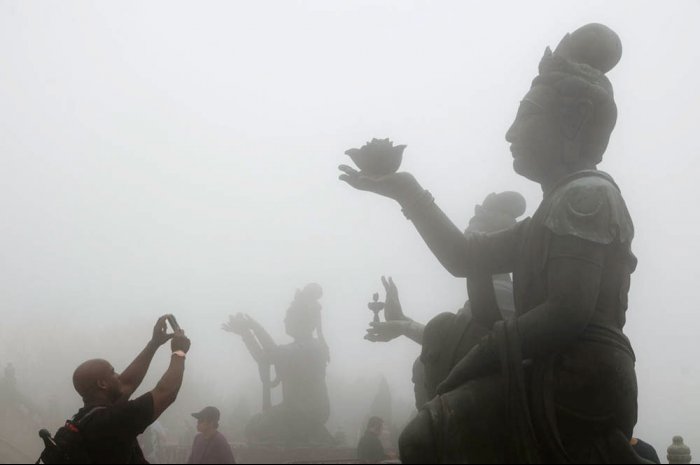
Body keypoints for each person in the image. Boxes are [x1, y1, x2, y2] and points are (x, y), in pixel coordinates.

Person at [340, 23, 644, 463]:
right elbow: (465, 258)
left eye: (526, 116)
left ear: (574, 119)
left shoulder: (587, 196)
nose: (510, 133)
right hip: (550, 363)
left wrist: (480, 358)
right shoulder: (551, 209)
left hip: (579, 376)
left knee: (423, 439)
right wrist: (407, 191)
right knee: (446, 344)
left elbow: (567, 312)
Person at [364, 192, 525, 406]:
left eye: (473, 231)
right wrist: (402, 321)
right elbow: (451, 342)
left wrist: (404, 326)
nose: (463, 236)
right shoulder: (491, 286)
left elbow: (468, 344)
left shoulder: (502, 289)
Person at [222, 283, 333, 446]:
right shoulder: (297, 348)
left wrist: (254, 327)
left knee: (260, 428)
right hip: (292, 409)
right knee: (255, 426)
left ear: (305, 320)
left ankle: (306, 436)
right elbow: (264, 357)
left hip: (307, 412)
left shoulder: (311, 348)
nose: (285, 320)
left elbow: (272, 354)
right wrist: (246, 333)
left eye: (290, 315)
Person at [71, 315, 191, 464]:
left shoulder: (87, 419)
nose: (118, 375)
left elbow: (127, 383)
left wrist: (154, 344)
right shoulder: (112, 420)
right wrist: (179, 352)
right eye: (112, 372)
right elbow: (166, 392)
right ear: (102, 384)